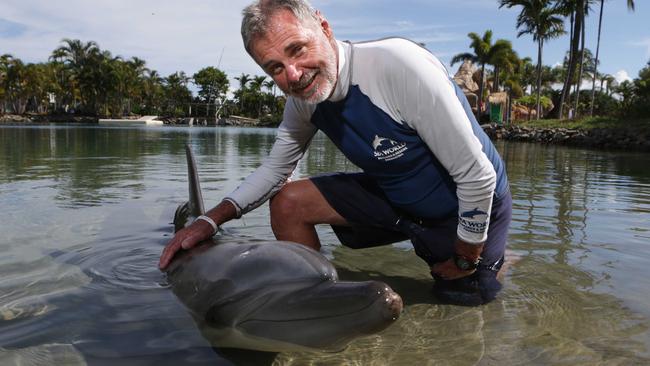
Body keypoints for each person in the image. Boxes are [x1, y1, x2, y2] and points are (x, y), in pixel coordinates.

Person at [159, 0, 512, 306]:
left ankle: (498, 258)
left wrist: (466, 258)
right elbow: (273, 172)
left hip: (469, 204)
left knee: (461, 301)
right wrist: (209, 221)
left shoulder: (400, 66)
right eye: (275, 68)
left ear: (324, 27)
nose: (294, 75)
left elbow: (478, 176)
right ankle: (317, 298)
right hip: (397, 197)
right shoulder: (303, 103)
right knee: (288, 202)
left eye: (297, 49)